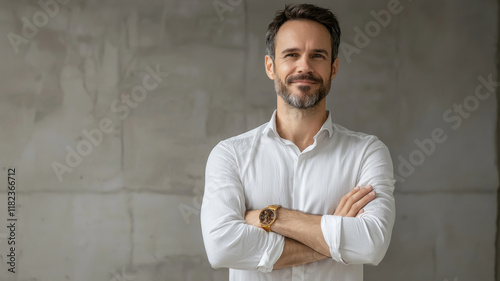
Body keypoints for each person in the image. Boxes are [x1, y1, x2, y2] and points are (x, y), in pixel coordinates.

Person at [200, 3, 395, 280]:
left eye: (317, 55)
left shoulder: (367, 153)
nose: (304, 66)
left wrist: (271, 217)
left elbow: (371, 245)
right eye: (291, 55)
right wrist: (335, 236)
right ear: (270, 66)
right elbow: (221, 248)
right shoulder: (230, 155)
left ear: (334, 68)